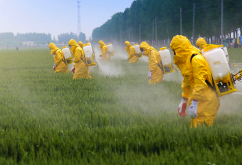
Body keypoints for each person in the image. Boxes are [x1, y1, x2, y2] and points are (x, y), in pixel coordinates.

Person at [170, 35, 220, 127]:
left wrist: (195, 103)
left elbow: (200, 83)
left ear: (179, 49)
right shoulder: (187, 60)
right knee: (195, 129)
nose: (173, 53)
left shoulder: (196, 59)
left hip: (206, 101)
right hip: (199, 99)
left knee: (202, 132)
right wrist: (184, 99)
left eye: (174, 50)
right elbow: (187, 81)